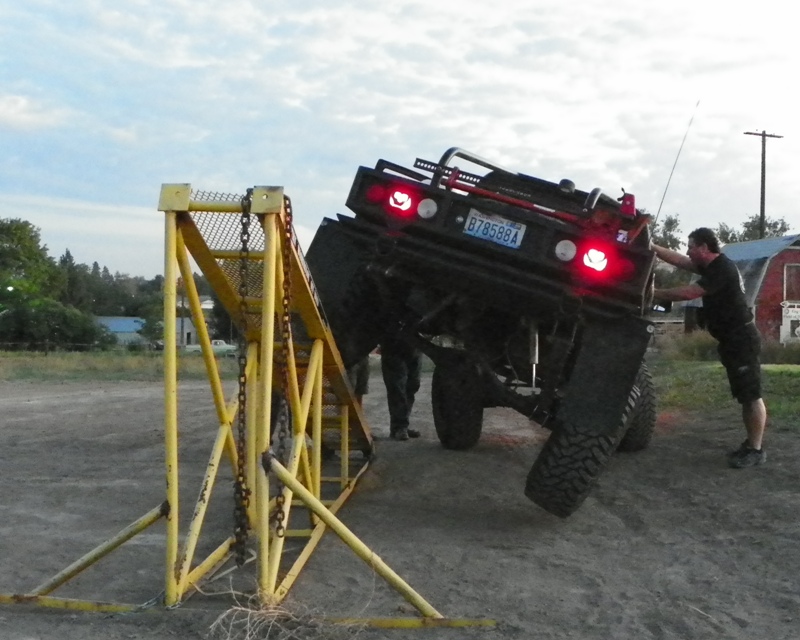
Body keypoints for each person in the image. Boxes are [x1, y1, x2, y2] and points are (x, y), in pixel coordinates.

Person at [652, 227, 768, 468]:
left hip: (741, 339)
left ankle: (755, 450)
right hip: (731, 339)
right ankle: (750, 444)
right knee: (744, 394)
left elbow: (689, 292)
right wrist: (651, 246)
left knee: (751, 395)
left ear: (704, 247)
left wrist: (652, 293)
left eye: (691, 246)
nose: (688, 251)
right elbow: (682, 261)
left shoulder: (721, 269)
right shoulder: (712, 266)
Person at [380, 333, 422, 441]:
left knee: (413, 385)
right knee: (397, 387)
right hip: (393, 346)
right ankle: (399, 427)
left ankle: (401, 426)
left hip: (415, 346)